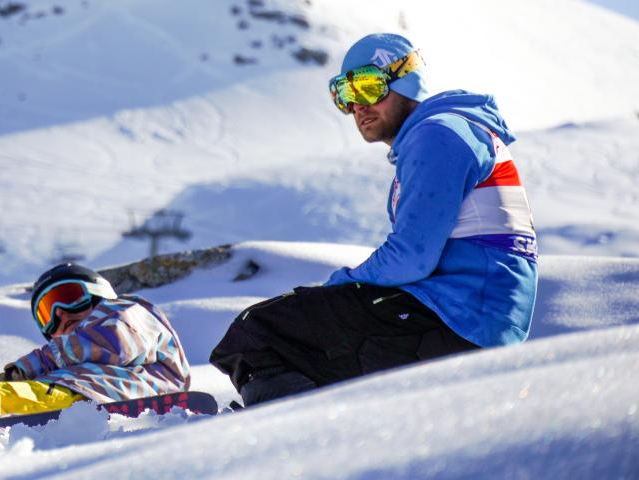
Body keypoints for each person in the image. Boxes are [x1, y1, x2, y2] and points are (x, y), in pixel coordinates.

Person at [210, 33, 537, 406]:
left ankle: (288, 429)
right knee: (307, 335)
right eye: (344, 95)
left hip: (457, 319)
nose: (357, 107)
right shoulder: (448, 133)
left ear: (405, 80)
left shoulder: (439, 135)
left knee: (258, 332)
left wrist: (339, 287)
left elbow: (412, 256)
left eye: (368, 86)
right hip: (467, 317)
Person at [0, 263, 190, 416]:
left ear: (100, 297)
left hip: (97, 393)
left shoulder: (126, 311)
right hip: (60, 390)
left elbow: (115, 341)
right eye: (46, 314)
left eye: (69, 297)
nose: (60, 313)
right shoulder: (62, 364)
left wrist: (31, 367)